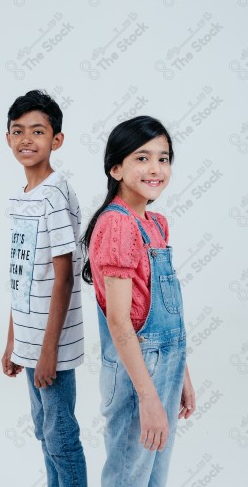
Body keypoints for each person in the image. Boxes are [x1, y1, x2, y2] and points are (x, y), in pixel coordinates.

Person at [82, 116, 195, 486]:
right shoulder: (117, 225)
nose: (156, 169)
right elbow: (118, 321)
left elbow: (167, 314)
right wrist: (148, 398)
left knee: (152, 477)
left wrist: (181, 375)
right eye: (142, 158)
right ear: (116, 168)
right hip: (137, 374)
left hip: (164, 366)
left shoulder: (155, 223)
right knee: (128, 476)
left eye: (164, 158)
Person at [1, 90, 87, 487]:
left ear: (57, 140)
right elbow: (21, 276)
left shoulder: (53, 194)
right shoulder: (23, 197)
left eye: (37, 131)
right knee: (44, 433)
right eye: (18, 131)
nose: (26, 140)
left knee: (61, 438)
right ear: (7, 138)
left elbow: (65, 274)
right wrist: (14, 341)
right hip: (32, 341)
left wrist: (48, 351)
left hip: (52, 344)